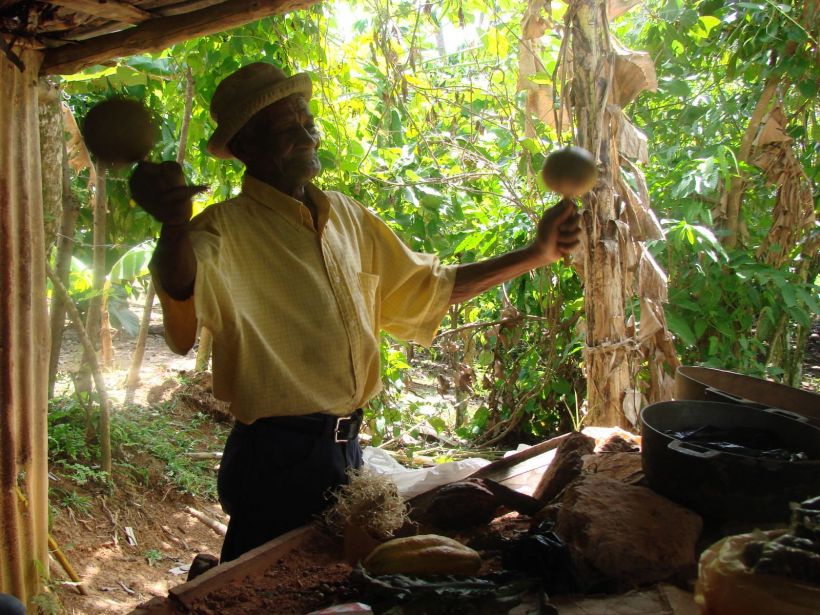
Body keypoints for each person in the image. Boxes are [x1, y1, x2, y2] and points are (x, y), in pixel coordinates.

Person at [129, 63, 581, 563]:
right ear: (244, 148)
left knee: (331, 582)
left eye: (307, 123)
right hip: (275, 458)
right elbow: (181, 285)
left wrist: (537, 254)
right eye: (286, 129)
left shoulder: (346, 216)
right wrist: (174, 226)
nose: (307, 137)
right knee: (264, 587)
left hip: (343, 451)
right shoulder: (219, 233)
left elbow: (429, 288)